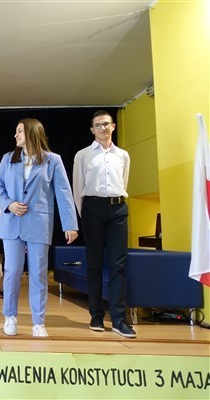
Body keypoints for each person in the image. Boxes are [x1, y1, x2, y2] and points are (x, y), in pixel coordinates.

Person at [0, 118, 78, 337]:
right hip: (12, 222)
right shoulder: (8, 158)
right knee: (12, 271)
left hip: (39, 223)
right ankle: (10, 317)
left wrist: (70, 224)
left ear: (32, 132)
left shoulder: (53, 160)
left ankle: (38, 322)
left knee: (39, 272)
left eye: (19, 131)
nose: (15, 135)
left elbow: (64, 192)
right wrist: (9, 204)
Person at [73, 110, 135, 338]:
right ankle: (96, 316)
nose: (102, 128)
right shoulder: (83, 155)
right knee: (94, 264)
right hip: (92, 209)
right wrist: (83, 215)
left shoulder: (123, 155)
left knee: (119, 264)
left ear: (113, 126)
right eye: (98, 125)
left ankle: (119, 319)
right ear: (92, 130)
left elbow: (123, 182)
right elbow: (78, 187)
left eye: (106, 124)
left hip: (118, 208)